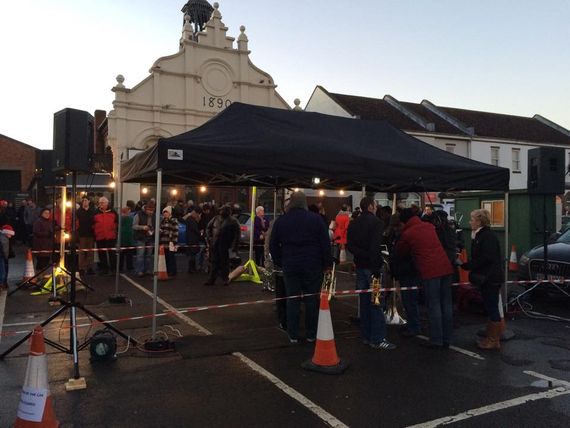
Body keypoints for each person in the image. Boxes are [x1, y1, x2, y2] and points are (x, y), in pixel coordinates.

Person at [269, 191, 332, 343]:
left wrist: (280, 261)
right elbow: (325, 243)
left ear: (291, 202)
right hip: (312, 264)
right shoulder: (316, 219)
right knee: (311, 299)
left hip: (290, 264)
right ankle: (311, 334)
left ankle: (293, 334)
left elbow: (273, 244)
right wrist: (327, 264)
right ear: (304, 202)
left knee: (292, 299)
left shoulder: (282, 220)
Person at [396, 208, 454, 349]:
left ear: (404, 222)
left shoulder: (408, 233)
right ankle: (447, 338)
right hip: (445, 267)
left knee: (433, 305)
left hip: (430, 271)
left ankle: (436, 340)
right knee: (446, 304)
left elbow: (400, 252)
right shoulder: (429, 226)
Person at [347, 197, 396, 350]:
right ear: (370, 206)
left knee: (364, 303)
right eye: (375, 205)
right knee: (376, 303)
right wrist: (374, 264)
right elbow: (375, 247)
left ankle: (366, 336)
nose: (376, 207)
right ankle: (378, 338)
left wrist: (361, 255)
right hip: (373, 269)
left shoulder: (354, 223)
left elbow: (350, 245)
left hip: (360, 266)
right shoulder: (377, 223)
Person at [460, 209, 503, 350]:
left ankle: (493, 339)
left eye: (472, 219)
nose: (470, 221)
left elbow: (486, 258)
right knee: (490, 306)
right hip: (489, 277)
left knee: (492, 307)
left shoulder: (486, 237)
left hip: (490, 278)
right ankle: (491, 338)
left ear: (479, 221)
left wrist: (468, 265)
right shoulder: (481, 236)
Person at [204, 205, 239, 286]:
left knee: (225, 263)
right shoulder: (216, 218)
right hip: (215, 244)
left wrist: (234, 247)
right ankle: (211, 279)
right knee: (214, 262)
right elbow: (208, 228)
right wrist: (209, 238)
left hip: (226, 245)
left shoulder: (233, 221)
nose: (222, 212)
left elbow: (237, 235)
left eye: (224, 210)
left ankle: (225, 279)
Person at [92, 197, 118, 276]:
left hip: (111, 236)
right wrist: (96, 232)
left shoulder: (113, 212)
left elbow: (117, 223)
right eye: (99, 203)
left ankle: (113, 269)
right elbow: (92, 224)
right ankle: (104, 269)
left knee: (112, 254)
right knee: (101, 254)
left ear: (107, 203)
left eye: (102, 203)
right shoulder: (95, 212)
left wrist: (114, 231)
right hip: (100, 236)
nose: (100, 204)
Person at [132, 201, 156, 277]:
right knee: (140, 255)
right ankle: (139, 271)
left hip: (150, 237)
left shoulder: (155, 216)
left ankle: (148, 270)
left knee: (149, 255)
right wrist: (143, 227)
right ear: (146, 209)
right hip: (140, 237)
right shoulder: (138, 215)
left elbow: (156, 225)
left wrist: (155, 229)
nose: (151, 212)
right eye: (149, 210)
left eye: (152, 210)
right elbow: (134, 226)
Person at [76, 197, 96, 275]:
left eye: (86, 200)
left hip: (91, 234)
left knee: (90, 252)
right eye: (83, 201)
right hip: (82, 235)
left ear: (89, 201)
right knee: (82, 252)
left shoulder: (93, 211)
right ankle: (82, 268)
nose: (84, 202)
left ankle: (89, 267)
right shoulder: (78, 212)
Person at [159, 206, 179, 277]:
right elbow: (160, 230)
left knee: (171, 257)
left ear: (170, 213)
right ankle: (167, 270)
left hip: (171, 243)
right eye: (164, 212)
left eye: (166, 212)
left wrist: (174, 242)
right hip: (164, 242)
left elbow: (175, 231)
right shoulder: (162, 221)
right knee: (166, 257)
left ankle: (173, 271)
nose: (165, 214)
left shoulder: (174, 220)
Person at [33, 208, 53, 272]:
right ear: (42, 214)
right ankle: (39, 276)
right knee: (41, 262)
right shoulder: (38, 221)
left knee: (46, 261)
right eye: (45, 213)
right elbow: (36, 232)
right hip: (40, 245)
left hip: (47, 245)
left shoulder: (49, 221)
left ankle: (42, 276)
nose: (47, 214)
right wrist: (47, 234)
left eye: (48, 213)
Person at [184, 206, 204, 273]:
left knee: (193, 254)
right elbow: (195, 230)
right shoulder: (191, 219)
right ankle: (191, 269)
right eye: (198, 214)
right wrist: (200, 233)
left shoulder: (190, 219)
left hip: (191, 239)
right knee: (192, 254)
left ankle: (192, 268)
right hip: (192, 239)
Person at [119, 206, 135, 271]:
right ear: (128, 211)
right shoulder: (131, 219)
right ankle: (129, 267)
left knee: (121, 255)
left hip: (121, 239)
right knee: (129, 255)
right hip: (129, 239)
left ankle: (120, 267)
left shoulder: (120, 219)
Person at [0, 224, 15, 289]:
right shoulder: (4, 239)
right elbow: (5, 250)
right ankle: (1, 284)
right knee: (2, 272)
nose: (11, 236)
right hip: (2, 257)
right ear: (6, 232)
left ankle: (2, 284)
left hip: (2, 256)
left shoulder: (4, 237)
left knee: (3, 271)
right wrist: (6, 256)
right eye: (10, 234)